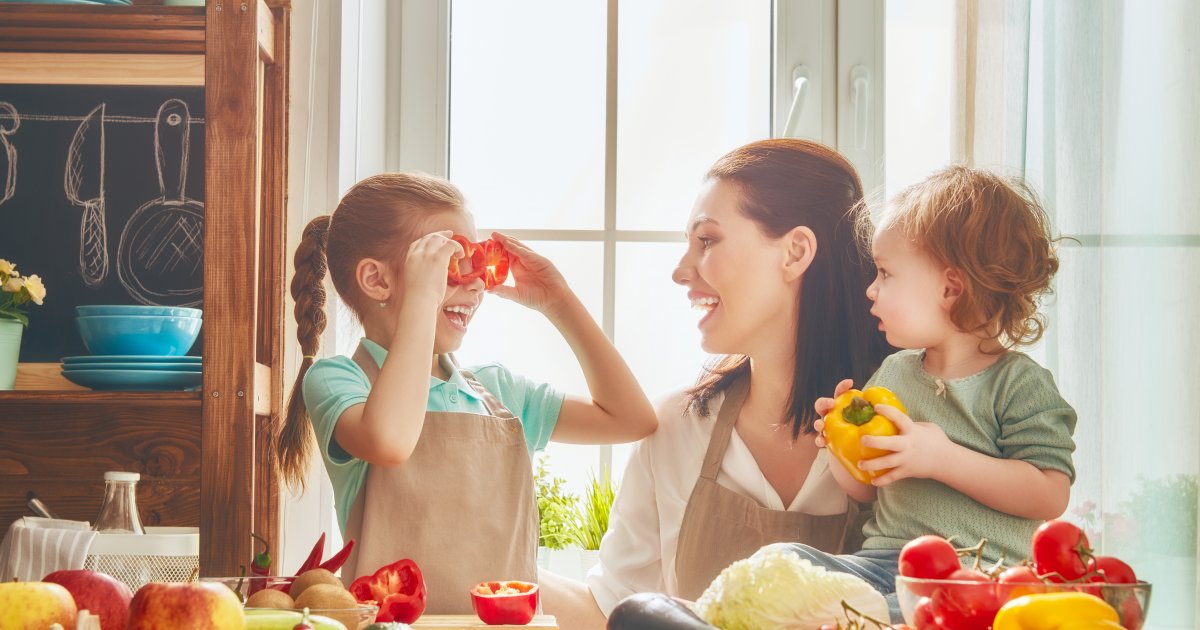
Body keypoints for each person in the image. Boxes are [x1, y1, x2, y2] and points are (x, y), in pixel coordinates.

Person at [542, 139, 892, 627]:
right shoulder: (673, 429)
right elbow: (609, 612)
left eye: (706, 241)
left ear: (795, 253)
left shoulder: (905, 430)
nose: (681, 271)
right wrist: (486, 561)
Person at [279, 172, 657, 614]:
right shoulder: (337, 380)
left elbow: (632, 419)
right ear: (377, 281)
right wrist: (423, 296)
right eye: (450, 263)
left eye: (479, 262)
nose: (476, 284)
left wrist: (559, 301)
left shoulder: (497, 393)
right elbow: (391, 440)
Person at [777, 165, 1077, 620]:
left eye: (884, 273)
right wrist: (840, 445)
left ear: (950, 288)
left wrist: (943, 458)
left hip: (984, 578)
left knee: (888, 617)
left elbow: (1049, 494)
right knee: (780, 563)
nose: (871, 290)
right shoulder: (893, 373)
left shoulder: (1018, 383)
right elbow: (865, 489)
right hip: (886, 566)